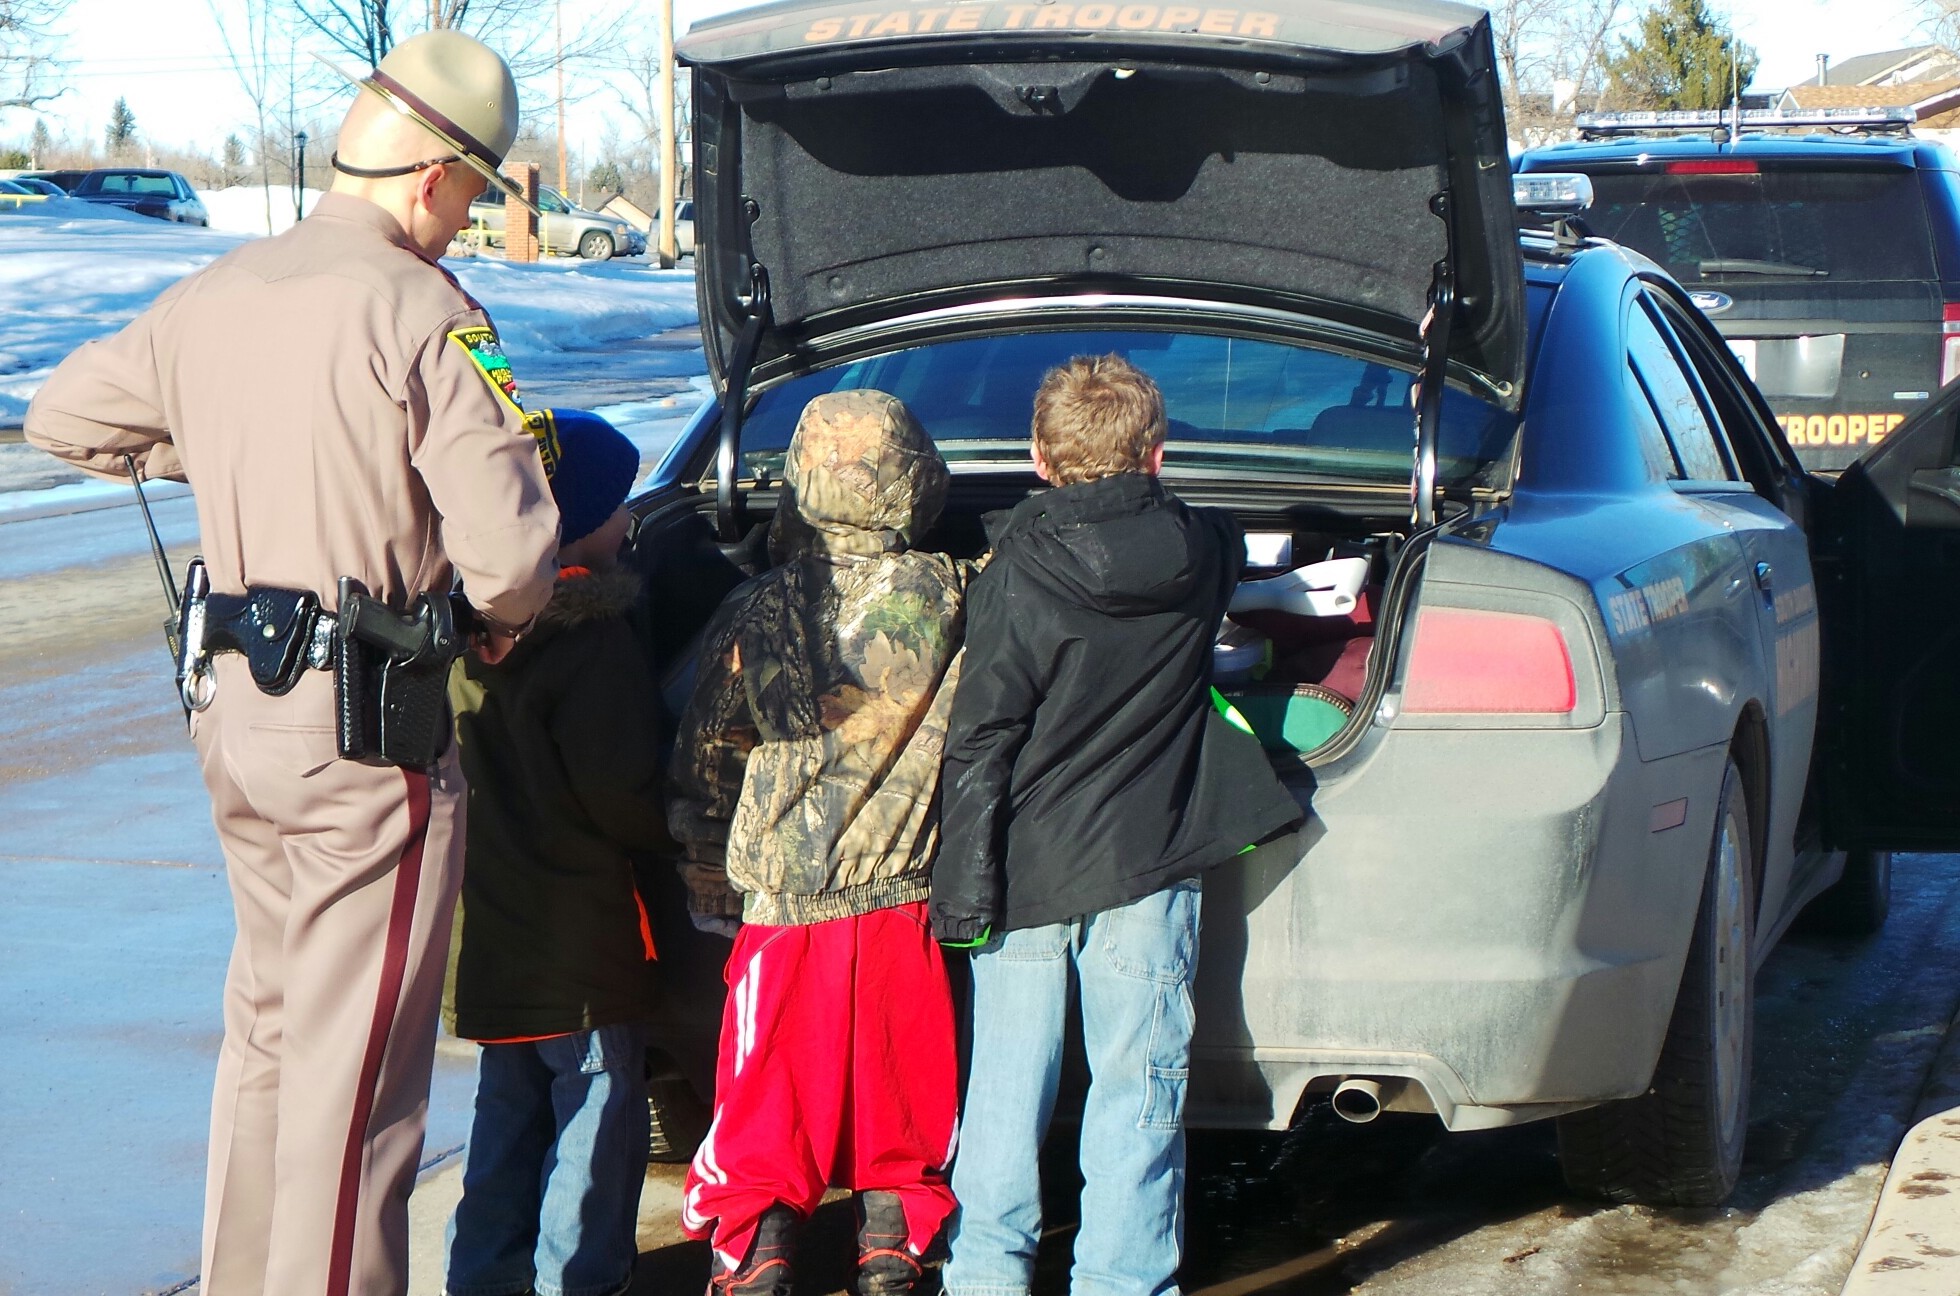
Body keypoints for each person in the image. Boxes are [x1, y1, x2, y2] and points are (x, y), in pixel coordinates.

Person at [23, 30, 560, 1296]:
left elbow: (63, 417)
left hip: (237, 717)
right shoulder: (423, 311)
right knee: (358, 1079)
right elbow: (514, 565)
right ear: (433, 175)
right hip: (369, 732)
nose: (467, 220)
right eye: (474, 193)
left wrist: (219, 444)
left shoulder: (219, 290)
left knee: (268, 1040)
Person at [932, 354, 1301, 1296]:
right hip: (1149, 860)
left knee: (1008, 1096)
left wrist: (963, 895)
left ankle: (985, 1274)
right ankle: (1124, 1279)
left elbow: (982, 741)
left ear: (1039, 459)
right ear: (1159, 454)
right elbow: (1223, 541)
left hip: (1025, 872)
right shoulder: (1203, 550)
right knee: (1140, 1092)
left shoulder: (1013, 572)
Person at [667, 389, 969, 1296]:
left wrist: (704, 857)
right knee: (899, 1083)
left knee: (766, 1092)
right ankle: (889, 1240)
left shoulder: (759, 610)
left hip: (785, 904)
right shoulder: (955, 591)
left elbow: (710, 748)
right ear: (912, 479)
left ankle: (759, 1246)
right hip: (901, 893)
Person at [442, 410, 669, 1296]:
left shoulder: (460, 638)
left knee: (504, 1121)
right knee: (594, 1119)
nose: (631, 521)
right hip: (584, 944)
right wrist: (677, 829)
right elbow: (623, 793)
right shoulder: (596, 641)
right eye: (618, 507)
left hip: (491, 938)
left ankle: (483, 1275)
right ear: (573, 522)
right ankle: (579, 1277)